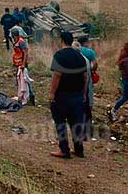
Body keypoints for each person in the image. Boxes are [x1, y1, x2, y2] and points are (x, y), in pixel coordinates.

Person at [48, 31, 88, 159]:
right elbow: (85, 77)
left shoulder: (59, 55)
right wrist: (83, 93)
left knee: (60, 122)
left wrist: (52, 93)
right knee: (76, 123)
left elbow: (57, 75)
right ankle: (79, 149)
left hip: (62, 95)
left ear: (61, 41)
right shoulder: (79, 56)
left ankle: (64, 150)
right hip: (76, 95)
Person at [78, 36, 98, 138]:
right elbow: (95, 64)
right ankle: (88, 128)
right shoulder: (90, 52)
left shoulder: (77, 50)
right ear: (85, 42)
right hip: (87, 76)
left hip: (76, 78)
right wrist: (92, 70)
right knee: (88, 102)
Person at [11, 26, 34, 105]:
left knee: (25, 80)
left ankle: (31, 96)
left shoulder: (21, 42)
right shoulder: (15, 41)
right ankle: (22, 96)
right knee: (20, 80)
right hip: (18, 63)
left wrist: (23, 64)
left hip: (23, 64)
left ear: (15, 35)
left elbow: (25, 52)